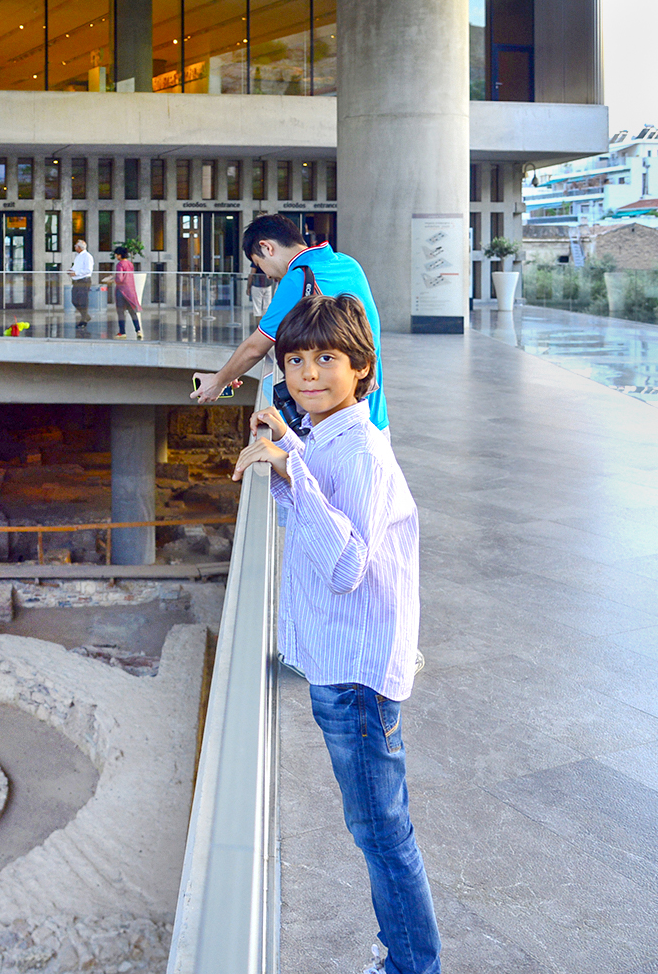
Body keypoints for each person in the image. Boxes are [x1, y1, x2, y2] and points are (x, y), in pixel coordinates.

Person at [232, 293, 439, 974]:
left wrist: (290, 465)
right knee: (378, 830)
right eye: (294, 360)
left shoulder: (364, 454)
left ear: (362, 371)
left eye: (326, 359)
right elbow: (319, 498)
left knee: (382, 835)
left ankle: (412, 965)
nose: (307, 374)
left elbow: (346, 562)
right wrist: (287, 445)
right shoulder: (333, 437)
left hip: (354, 679)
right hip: (344, 668)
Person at [193, 214, 388, 437]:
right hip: (373, 415)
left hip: (336, 427)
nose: (266, 274)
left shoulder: (297, 279)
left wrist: (218, 381)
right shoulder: (348, 263)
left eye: (259, 263)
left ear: (267, 248)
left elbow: (255, 348)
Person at [111, 246, 143, 339]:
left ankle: (122, 332)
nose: (116, 256)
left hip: (121, 291)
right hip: (130, 291)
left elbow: (120, 279)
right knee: (132, 312)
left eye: (116, 255)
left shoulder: (120, 264)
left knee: (121, 312)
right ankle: (138, 331)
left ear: (120, 255)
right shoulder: (130, 264)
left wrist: (113, 279)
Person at [68, 239, 94, 333]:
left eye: (76, 246)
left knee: (83, 300)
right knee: (74, 300)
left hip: (84, 280)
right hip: (76, 281)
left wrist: (76, 273)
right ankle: (86, 316)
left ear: (79, 247)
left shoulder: (87, 256)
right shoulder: (78, 256)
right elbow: (76, 267)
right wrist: (71, 270)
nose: (75, 247)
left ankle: (83, 320)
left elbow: (88, 270)